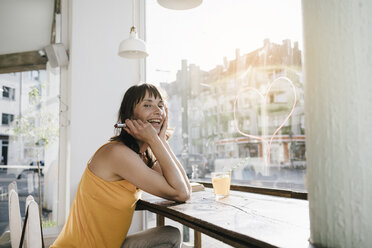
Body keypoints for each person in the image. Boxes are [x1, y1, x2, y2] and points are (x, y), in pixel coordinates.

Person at [51, 83, 191, 248]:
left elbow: (185, 188)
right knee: (171, 236)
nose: (157, 111)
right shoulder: (117, 153)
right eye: (147, 105)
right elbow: (180, 193)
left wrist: (161, 141)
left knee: (170, 234)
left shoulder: (142, 157)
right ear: (129, 117)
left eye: (160, 106)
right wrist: (154, 140)